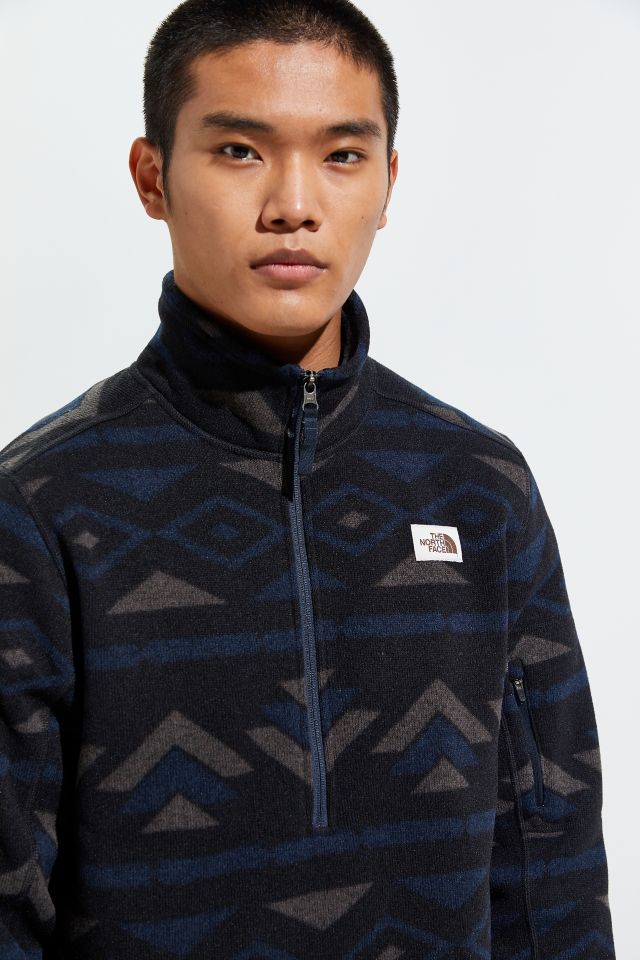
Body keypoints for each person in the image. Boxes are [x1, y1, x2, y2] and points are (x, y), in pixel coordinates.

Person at [0, 0, 616, 956]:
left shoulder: (479, 488)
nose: (294, 203)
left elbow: (552, 875)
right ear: (152, 177)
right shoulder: (40, 507)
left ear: (389, 180)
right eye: (239, 150)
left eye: (342, 154)